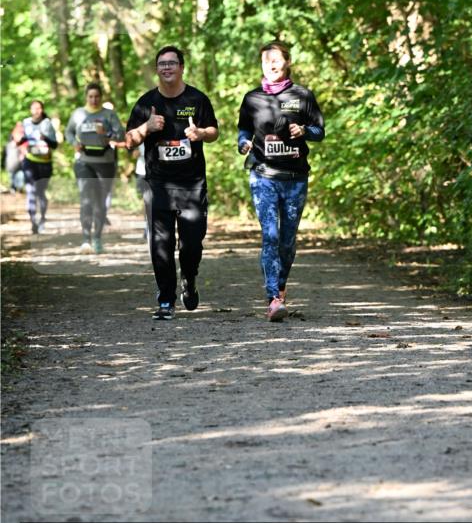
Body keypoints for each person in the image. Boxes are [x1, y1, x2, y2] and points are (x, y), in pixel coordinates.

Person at [126, 45, 219, 320]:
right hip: (158, 185)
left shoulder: (197, 99)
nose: (167, 67)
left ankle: (189, 280)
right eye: (162, 64)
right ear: (157, 69)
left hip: (192, 185)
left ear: (181, 67)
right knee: (160, 244)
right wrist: (146, 127)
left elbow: (214, 131)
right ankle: (166, 299)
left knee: (192, 245)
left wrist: (200, 133)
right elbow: (128, 141)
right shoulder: (146, 103)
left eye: (172, 63)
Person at [237, 40, 325, 321]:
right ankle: (273, 297)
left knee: (287, 240)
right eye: (266, 60)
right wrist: (243, 142)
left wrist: (305, 130)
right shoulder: (252, 98)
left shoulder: (302, 95)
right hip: (263, 175)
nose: (271, 64)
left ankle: (282, 286)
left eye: (276, 59)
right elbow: (243, 128)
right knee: (270, 236)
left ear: (287, 62)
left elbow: (320, 131)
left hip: (296, 177)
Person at [65, 83, 125, 254]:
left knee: (100, 202)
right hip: (84, 161)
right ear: (86, 97)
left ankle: (97, 238)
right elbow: (68, 132)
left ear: (101, 97)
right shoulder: (78, 114)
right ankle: (86, 240)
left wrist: (106, 134)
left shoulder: (109, 114)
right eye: (90, 96)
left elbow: (121, 134)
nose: (93, 99)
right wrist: (74, 143)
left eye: (96, 96)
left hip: (105, 162)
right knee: (86, 199)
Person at [12, 100, 58, 233]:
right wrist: (21, 140)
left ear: (42, 110)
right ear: (30, 110)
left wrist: (45, 139)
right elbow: (19, 141)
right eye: (34, 108)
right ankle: (33, 221)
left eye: (39, 108)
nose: (36, 111)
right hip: (30, 161)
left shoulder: (47, 124)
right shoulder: (25, 122)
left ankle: (42, 219)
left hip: (44, 163)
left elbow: (55, 145)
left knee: (40, 193)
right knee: (30, 192)